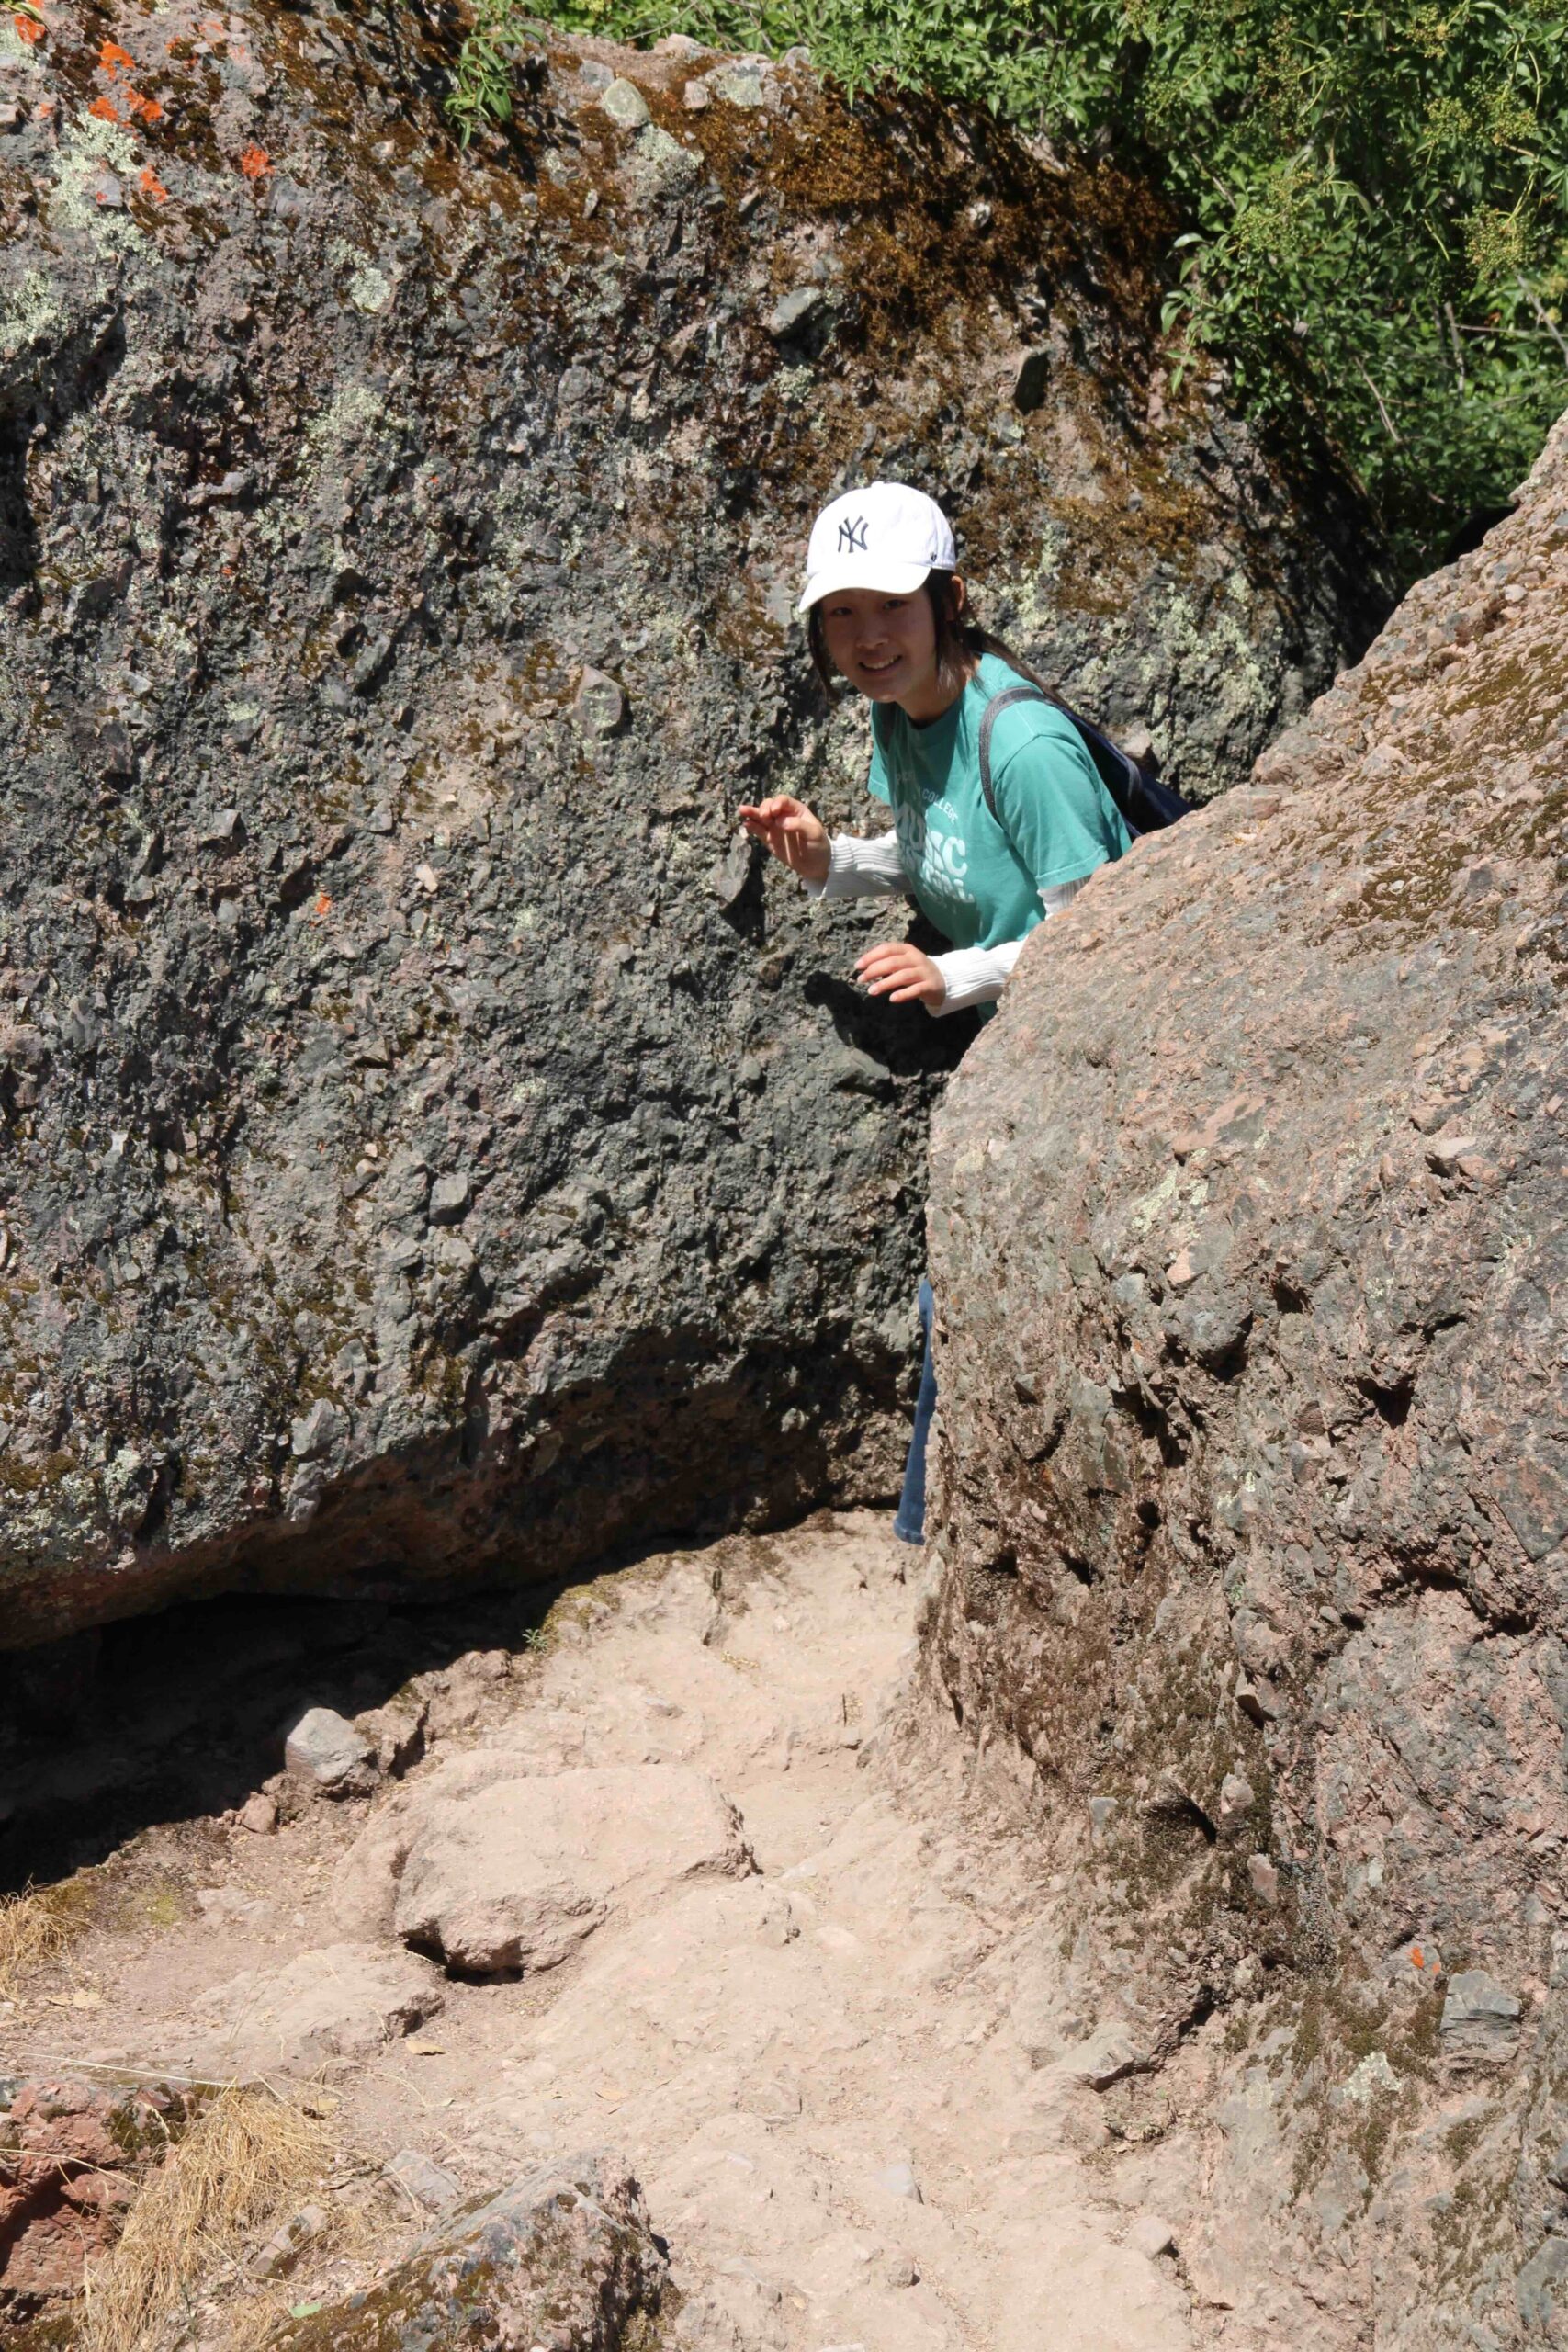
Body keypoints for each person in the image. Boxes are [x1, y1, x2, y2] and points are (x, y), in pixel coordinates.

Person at [739, 480, 1132, 1542]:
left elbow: (1103, 934)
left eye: (892, 607)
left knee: (960, 1295)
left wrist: (951, 977)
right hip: (1009, 1030)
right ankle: (932, 1533)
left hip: (1094, 1043)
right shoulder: (903, 713)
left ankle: (940, 1537)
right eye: (842, 613)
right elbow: (933, 857)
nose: (868, 639)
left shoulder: (1024, 744)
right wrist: (831, 862)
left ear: (950, 600)